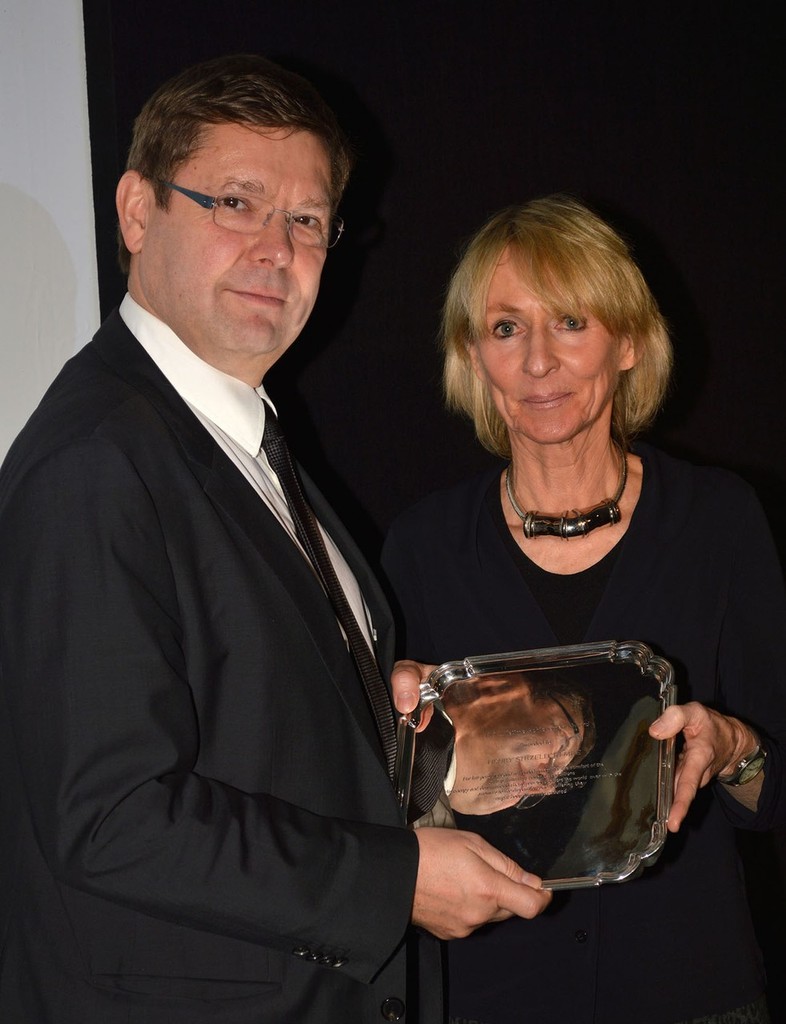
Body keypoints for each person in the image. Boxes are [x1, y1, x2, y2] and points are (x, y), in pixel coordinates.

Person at [0, 55, 551, 1024]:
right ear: (137, 212)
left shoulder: (233, 430)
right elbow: (111, 817)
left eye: (305, 220)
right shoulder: (98, 459)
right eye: (235, 203)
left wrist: (365, 698)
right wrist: (393, 882)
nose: (276, 248)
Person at [382, 194, 786, 1024]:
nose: (537, 362)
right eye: (504, 328)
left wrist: (736, 749)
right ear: (472, 354)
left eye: (571, 322)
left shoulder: (720, 521)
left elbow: (777, 780)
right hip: (490, 998)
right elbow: (391, 805)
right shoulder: (419, 548)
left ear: (628, 340)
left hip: (690, 992)